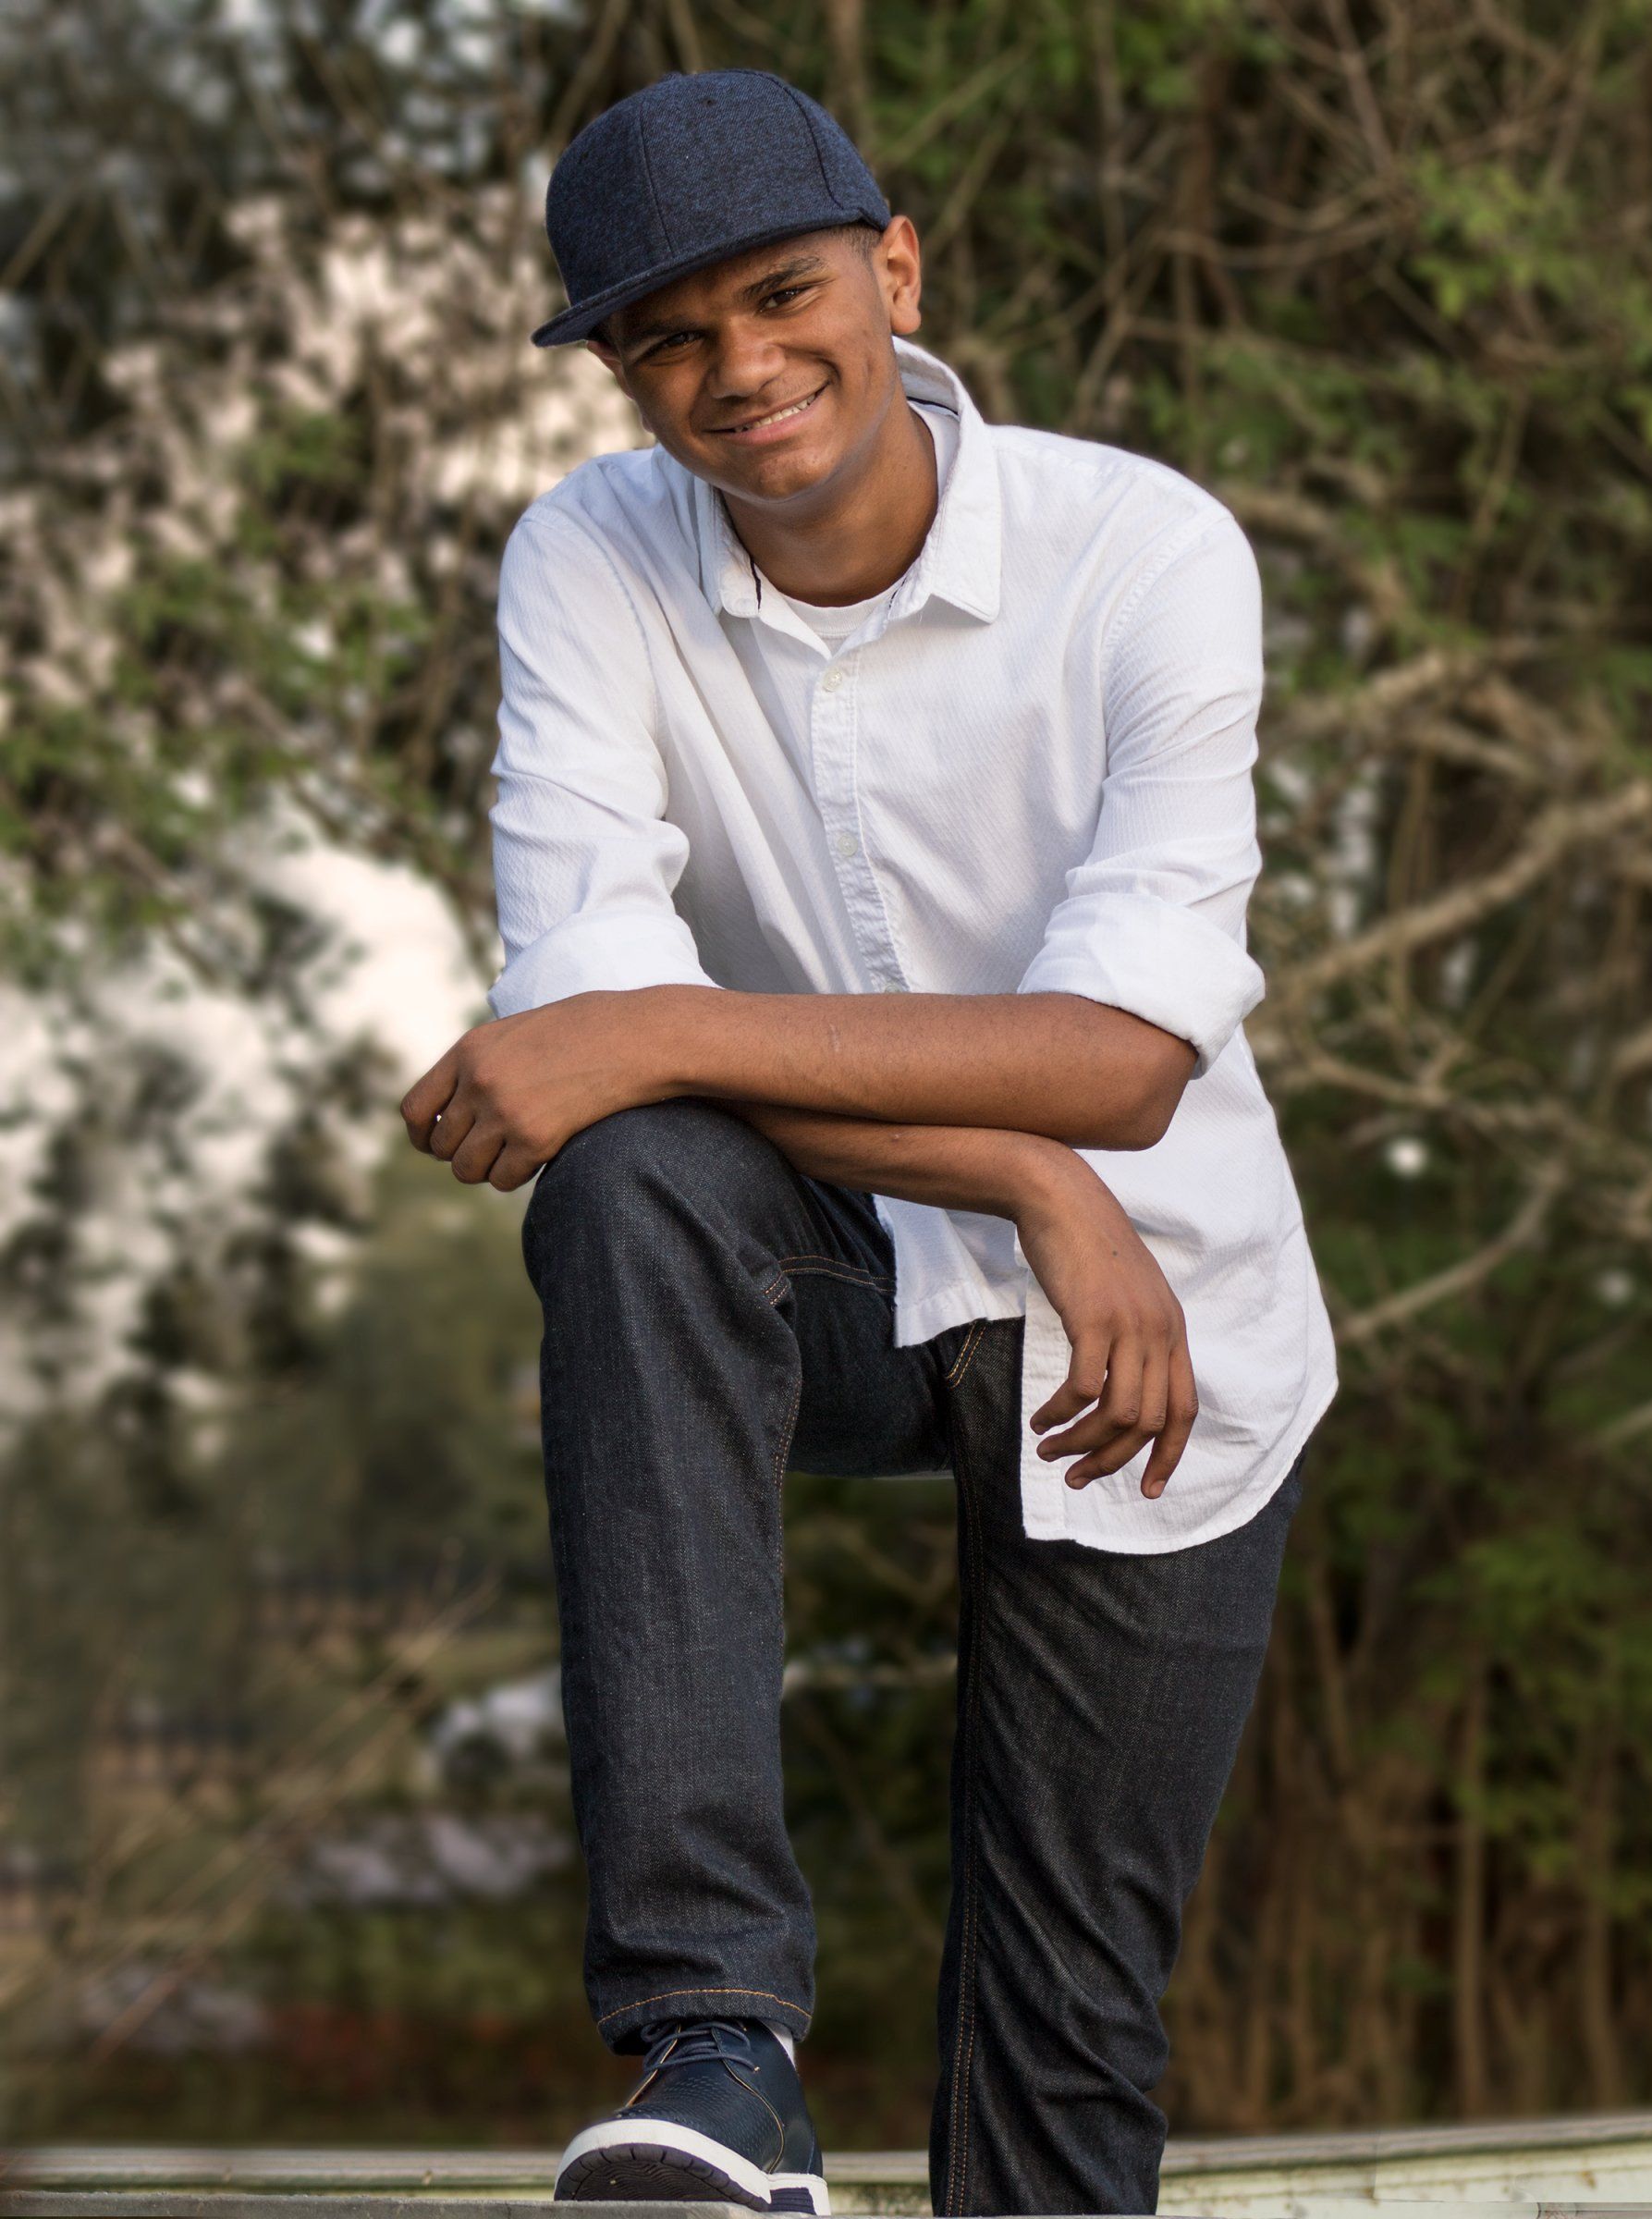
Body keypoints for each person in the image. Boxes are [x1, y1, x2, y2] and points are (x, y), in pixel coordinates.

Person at [399, 65, 1338, 2219]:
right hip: (826, 1265)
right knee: (633, 1195)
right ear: (625, 369)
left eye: (783, 295)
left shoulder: (1145, 553)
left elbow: (1120, 1063)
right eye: (669, 337)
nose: (739, 371)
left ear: (894, 269)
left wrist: (658, 1034)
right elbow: (596, 1063)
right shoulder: (589, 560)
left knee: (1067, 2018)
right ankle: (716, 2046)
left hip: (1160, 1327)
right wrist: (1012, 1173)